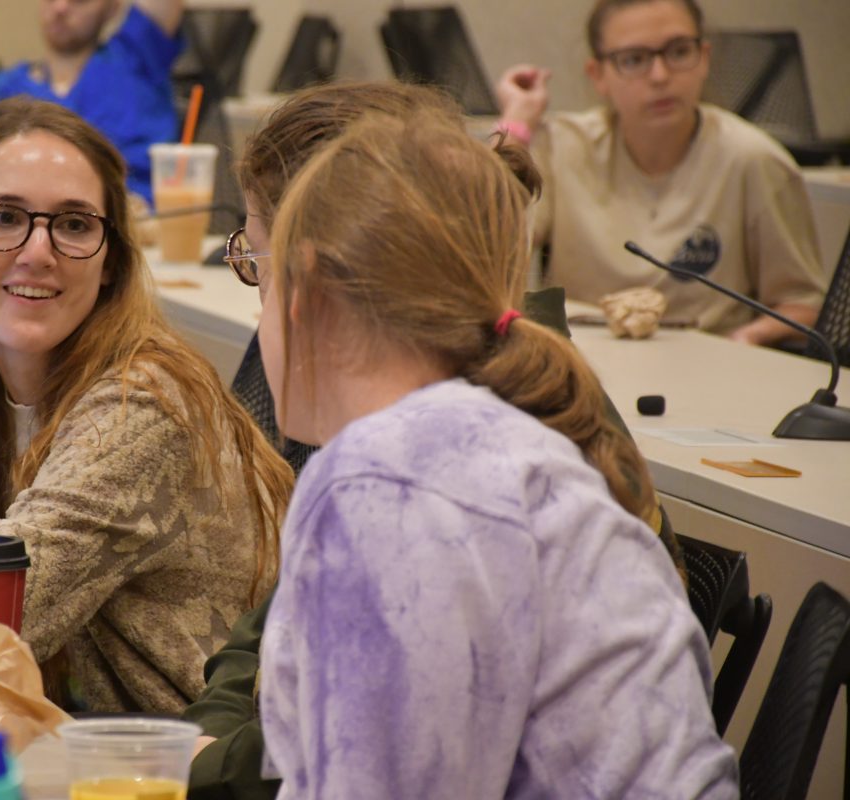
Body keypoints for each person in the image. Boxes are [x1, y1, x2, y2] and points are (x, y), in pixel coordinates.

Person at [185, 81, 685, 800]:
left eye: (258, 267)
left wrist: (189, 769)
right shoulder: (450, 438)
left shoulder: (391, 484)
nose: (255, 303)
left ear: (310, 282)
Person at [0, 97, 293, 715]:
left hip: (164, 751)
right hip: (39, 730)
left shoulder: (140, 410)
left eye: (73, 225)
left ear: (111, 259)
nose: (38, 251)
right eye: (3, 217)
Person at [496, 0, 825, 346]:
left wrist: (747, 338)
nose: (660, 76)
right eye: (634, 60)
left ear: (705, 58)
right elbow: (490, 249)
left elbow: (801, 306)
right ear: (598, 75)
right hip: (582, 358)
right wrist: (515, 125)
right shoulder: (562, 147)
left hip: (709, 360)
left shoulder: (755, 160)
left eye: (679, 52)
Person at [0, 0, 184, 204]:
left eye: (80, 0)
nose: (61, 7)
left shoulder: (137, 59)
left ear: (112, 7)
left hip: (140, 219)